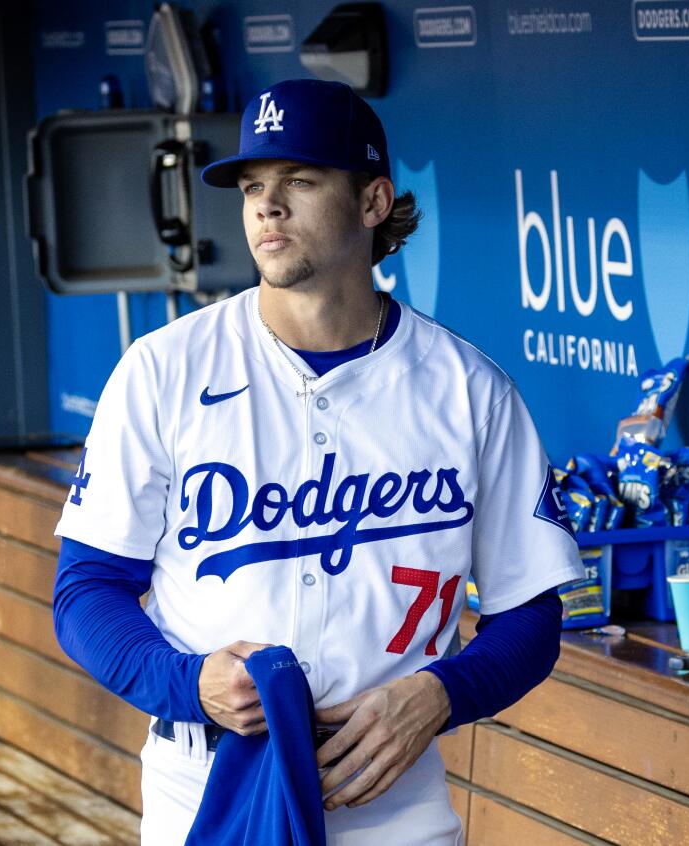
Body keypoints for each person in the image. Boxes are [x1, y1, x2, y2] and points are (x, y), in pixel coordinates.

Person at [51, 78, 583, 845]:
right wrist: (188, 683)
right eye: (254, 185)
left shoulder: (470, 391)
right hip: (203, 784)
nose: (267, 205)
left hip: (390, 800)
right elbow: (87, 591)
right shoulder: (162, 369)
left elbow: (530, 611)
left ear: (372, 204)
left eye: (299, 181)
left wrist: (441, 694)